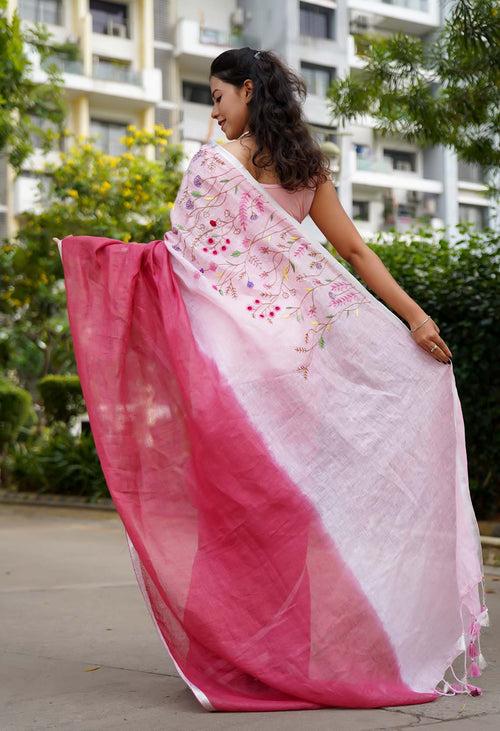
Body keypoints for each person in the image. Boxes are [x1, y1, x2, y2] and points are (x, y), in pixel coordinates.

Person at [53, 47, 487, 713]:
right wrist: (416, 316)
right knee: (290, 516)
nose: (215, 110)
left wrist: (97, 262)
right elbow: (356, 251)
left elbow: (175, 260)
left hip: (229, 374)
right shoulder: (305, 168)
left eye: (219, 95)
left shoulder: (212, 166)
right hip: (293, 367)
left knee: (232, 516)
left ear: (248, 91)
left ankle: (239, 656)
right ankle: (285, 653)